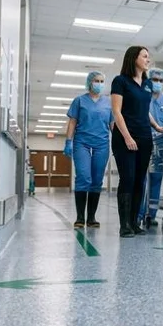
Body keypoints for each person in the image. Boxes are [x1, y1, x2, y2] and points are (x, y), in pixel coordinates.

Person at [110, 46, 163, 238]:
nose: (148, 60)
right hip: (125, 136)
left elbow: (144, 109)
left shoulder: (147, 83)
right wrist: (126, 137)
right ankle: (124, 225)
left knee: (140, 181)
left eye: (148, 57)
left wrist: (156, 126)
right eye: (145, 56)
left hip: (144, 137)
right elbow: (117, 111)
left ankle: (134, 223)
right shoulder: (120, 81)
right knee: (128, 178)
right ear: (134, 58)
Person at [63, 71, 114, 228]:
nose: (99, 84)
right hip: (82, 143)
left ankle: (91, 217)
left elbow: (112, 124)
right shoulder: (79, 101)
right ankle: (80, 217)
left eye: (101, 81)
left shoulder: (108, 103)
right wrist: (68, 141)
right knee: (84, 177)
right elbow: (72, 121)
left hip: (102, 143)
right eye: (96, 81)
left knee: (97, 180)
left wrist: (120, 143)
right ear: (89, 83)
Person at [138, 67, 163, 229]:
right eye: (155, 80)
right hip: (143, 140)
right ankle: (139, 214)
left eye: (161, 81)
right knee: (141, 180)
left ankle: (151, 214)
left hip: (160, 144)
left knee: (156, 179)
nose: (158, 83)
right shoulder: (142, 97)